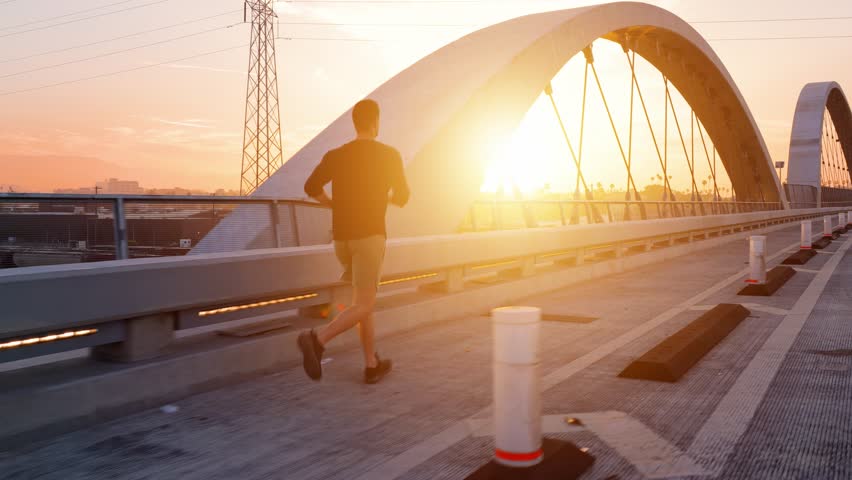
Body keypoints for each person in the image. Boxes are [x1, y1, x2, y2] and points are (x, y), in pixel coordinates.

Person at [298, 99, 410, 384]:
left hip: (342, 241)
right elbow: (403, 197)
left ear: (356, 123)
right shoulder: (389, 155)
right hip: (369, 237)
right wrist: (382, 198)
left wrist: (332, 204)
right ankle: (317, 340)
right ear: (375, 122)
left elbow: (310, 187)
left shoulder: (337, 155)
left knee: (363, 300)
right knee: (365, 303)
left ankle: (371, 364)